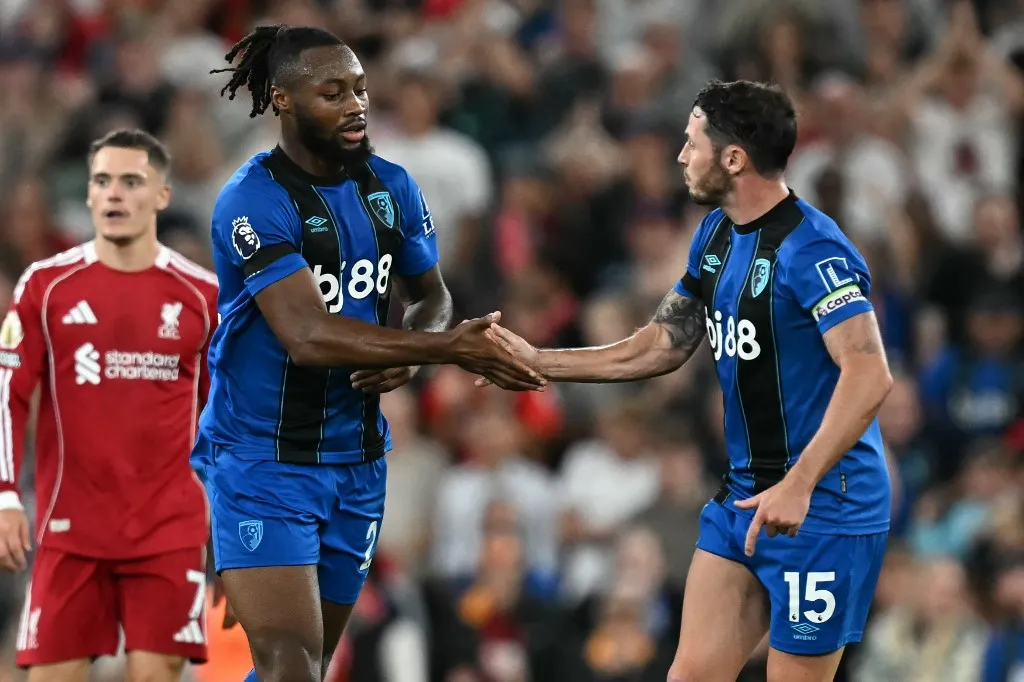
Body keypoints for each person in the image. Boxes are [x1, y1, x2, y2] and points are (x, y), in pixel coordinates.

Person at [483, 80, 894, 682]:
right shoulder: (717, 234)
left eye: (691, 142)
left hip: (824, 509)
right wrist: (536, 362)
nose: (681, 156)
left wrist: (800, 484)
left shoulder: (813, 249)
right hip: (744, 497)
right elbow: (661, 343)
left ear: (734, 158)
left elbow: (869, 372)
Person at [196, 24, 544, 682]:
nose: (356, 105)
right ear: (283, 101)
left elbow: (431, 296)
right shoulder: (252, 200)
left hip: (357, 463)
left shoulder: (391, 188)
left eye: (359, 89)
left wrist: (416, 352)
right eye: (332, 93)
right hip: (263, 462)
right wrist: (446, 349)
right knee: (290, 664)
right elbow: (306, 333)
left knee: (309, 664)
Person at [0, 129, 219, 682]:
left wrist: (239, 532)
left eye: (131, 181)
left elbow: (228, 425)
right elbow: (8, 392)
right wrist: (4, 495)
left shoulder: (203, 297)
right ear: (90, 195)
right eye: (102, 181)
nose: (114, 194)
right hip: (71, 528)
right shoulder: (45, 287)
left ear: (162, 196)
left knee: (154, 676)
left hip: (168, 529)